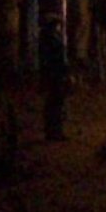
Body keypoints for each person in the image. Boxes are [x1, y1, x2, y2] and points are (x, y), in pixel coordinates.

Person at [41, 13, 68, 141]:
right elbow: (56, 58)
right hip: (55, 74)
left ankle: (55, 131)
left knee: (56, 102)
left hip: (55, 73)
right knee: (55, 102)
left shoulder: (52, 38)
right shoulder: (51, 39)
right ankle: (53, 132)